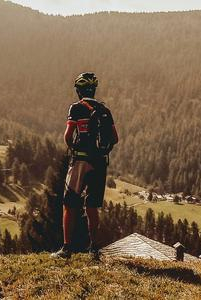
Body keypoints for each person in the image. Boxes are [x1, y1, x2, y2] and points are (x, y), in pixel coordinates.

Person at [51, 72, 118, 259]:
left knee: (69, 203)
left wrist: (74, 148)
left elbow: (67, 136)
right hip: (100, 163)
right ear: (94, 90)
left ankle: (66, 249)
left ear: (79, 91)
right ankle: (94, 248)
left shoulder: (76, 108)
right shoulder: (105, 110)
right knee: (92, 207)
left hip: (80, 161)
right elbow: (115, 138)